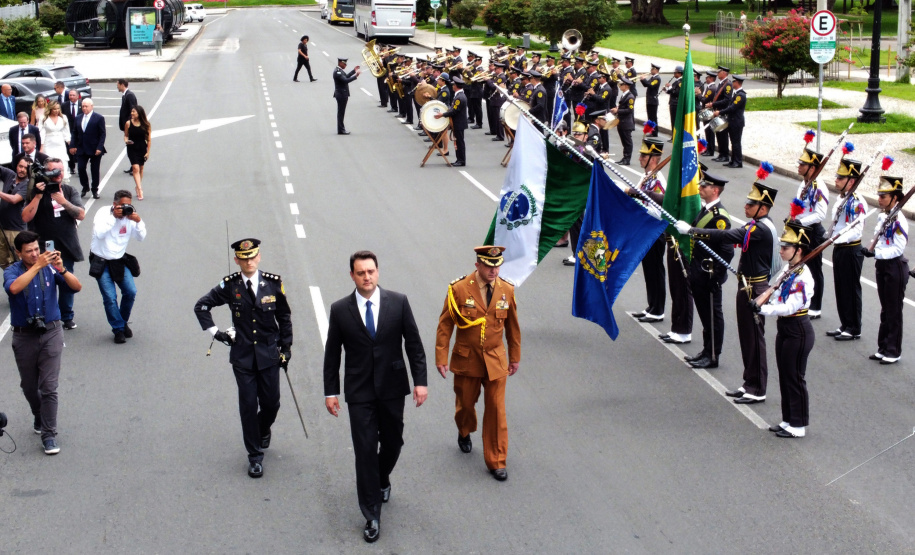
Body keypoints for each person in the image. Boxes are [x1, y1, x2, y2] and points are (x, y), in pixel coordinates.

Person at [323, 251, 427, 544]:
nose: (366, 277)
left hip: (393, 387)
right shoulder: (340, 310)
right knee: (365, 450)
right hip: (359, 392)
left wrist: (421, 382)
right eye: (360, 273)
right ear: (352, 276)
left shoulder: (399, 302)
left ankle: (382, 477)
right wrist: (330, 391)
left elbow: (414, 345)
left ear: (378, 272)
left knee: (393, 441)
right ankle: (371, 514)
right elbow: (332, 354)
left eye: (370, 271)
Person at [194, 238, 293, 478]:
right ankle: (255, 456)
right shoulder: (230, 286)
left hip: (270, 355)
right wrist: (216, 333)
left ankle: (263, 428)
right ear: (237, 260)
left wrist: (286, 349)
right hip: (243, 357)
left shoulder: (273, 283)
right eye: (243, 258)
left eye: (252, 257)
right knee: (248, 405)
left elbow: (285, 317)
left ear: (258, 257)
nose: (249, 261)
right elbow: (202, 306)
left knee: (271, 404)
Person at [677, 179, 780, 392]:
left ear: (763, 207)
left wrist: (692, 231)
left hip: (755, 288)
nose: (745, 206)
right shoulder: (755, 225)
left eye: (751, 204)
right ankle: (749, 382)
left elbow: (726, 236)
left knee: (754, 341)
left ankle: (757, 387)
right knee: (746, 338)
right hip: (747, 286)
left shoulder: (759, 229)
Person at [435, 246, 521, 482]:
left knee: (496, 411)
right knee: (465, 405)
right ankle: (464, 431)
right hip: (467, 359)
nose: (494, 270)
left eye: (497, 265)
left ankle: (497, 461)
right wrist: (441, 357)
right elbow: (445, 325)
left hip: (496, 360)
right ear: (477, 266)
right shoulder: (459, 289)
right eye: (488, 266)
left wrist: (514, 357)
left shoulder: (507, 290)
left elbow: (513, 328)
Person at [3, 230, 82, 455]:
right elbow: (14, 288)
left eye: (37, 249)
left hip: (51, 332)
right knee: (29, 387)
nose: (35, 254)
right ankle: (38, 414)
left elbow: (76, 287)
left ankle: (49, 435)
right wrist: (37, 266)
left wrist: (62, 268)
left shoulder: (50, 268)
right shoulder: (12, 271)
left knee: (49, 387)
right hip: (23, 334)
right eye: (29, 251)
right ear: (19, 253)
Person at [750, 221, 815, 438]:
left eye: (785, 248)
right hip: (786, 328)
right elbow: (775, 290)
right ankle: (788, 419)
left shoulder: (804, 276)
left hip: (798, 328)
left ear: (798, 250)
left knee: (795, 376)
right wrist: (761, 299)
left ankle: (798, 425)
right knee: (785, 374)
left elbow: (790, 306)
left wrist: (763, 309)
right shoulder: (788, 270)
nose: (781, 251)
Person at [20, 158, 85, 330]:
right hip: (41, 248)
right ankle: (41, 315)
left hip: (66, 246)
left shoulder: (69, 191)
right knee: (42, 284)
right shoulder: (36, 192)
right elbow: (25, 217)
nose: (58, 174)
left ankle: (67, 316)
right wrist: (38, 196)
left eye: (61, 171)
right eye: (54, 171)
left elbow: (81, 215)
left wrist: (63, 201)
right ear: (46, 173)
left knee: (66, 282)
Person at [679, 173, 732, 363]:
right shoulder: (706, 210)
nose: (700, 188)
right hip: (699, 272)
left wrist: (716, 277)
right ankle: (706, 350)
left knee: (712, 317)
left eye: (705, 186)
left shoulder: (719, 217)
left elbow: (727, 251)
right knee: (705, 315)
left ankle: (713, 355)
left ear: (715, 190)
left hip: (709, 276)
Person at [89, 190, 146, 343]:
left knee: (130, 291)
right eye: (122, 206)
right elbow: (99, 234)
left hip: (118, 261)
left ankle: (122, 322)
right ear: (114, 205)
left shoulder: (130, 216)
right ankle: (118, 329)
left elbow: (141, 237)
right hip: (100, 261)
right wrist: (114, 218)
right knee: (110, 297)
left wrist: (138, 221)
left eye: (129, 205)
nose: (126, 208)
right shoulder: (103, 213)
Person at [865, 176, 909, 365]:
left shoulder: (899, 220)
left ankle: (893, 350)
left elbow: (898, 248)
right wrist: (871, 248)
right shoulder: (884, 216)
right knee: (885, 309)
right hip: (883, 266)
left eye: (884, 196)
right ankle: (883, 347)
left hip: (894, 267)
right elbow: (879, 239)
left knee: (893, 310)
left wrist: (877, 254)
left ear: (895, 198)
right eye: (880, 195)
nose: (880, 199)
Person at [627, 138, 670, 326]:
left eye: (643, 155)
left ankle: (658, 309)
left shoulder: (657, 181)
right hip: (645, 229)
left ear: (654, 158)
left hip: (654, 229)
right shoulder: (647, 176)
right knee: (648, 270)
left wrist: (637, 203)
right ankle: (652, 306)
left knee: (655, 270)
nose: (639, 158)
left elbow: (659, 209)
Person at [826, 158, 868, 341]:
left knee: (851, 289)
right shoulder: (843, 199)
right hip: (840, 248)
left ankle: (854, 327)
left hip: (851, 249)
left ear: (851, 181)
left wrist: (835, 239)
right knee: (841, 288)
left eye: (840, 177)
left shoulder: (856, 202)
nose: (836, 180)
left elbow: (855, 230)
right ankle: (845, 323)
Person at [791, 142, 829, 319]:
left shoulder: (818, 187)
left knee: (814, 269)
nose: (799, 167)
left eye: (802, 165)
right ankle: (803, 299)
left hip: (813, 232)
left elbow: (820, 214)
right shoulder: (804, 183)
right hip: (802, 230)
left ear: (812, 168)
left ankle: (816, 306)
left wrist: (800, 221)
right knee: (800, 266)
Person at [69, 98, 107, 199]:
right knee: (81, 168)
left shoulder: (98, 118)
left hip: (95, 148)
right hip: (82, 148)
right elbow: (74, 132)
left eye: (86, 106)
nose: (84, 108)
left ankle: (95, 189)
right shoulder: (78, 118)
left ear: (92, 106)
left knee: (94, 170)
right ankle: (85, 186)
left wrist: (99, 147)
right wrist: (72, 145)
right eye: (83, 106)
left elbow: (102, 134)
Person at [713, 74, 746, 168]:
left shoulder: (741, 95)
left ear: (737, 83)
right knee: (733, 142)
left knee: (736, 142)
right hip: (732, 121)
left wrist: (720, 112)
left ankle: (738, 161)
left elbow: (732, 108)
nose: (732, 83)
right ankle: (733, 160)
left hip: (736, 122)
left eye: (734, 82)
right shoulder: (736, 94)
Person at [0, 160, 28, 268]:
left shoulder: (27, 185)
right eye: (20, 166)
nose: (22, 170)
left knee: (17, 261)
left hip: (15, 230)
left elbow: (14, 199)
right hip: (2, 227)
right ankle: (10, 280)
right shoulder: (10, 175)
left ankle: (18, 282)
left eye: (25, 168)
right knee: (2, 260)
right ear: (16, 166)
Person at [436, 75, 467, 166]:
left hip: (459, 123)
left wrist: (442, 114)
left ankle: (461, 160)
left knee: (459, 143)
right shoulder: (458, 95)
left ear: (456, 86)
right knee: (457, 142)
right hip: (457, 122)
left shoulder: (460, 98)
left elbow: (454, 111)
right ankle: (459, 159)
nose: (452, 86)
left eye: (453, 85)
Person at [705, 66, 733, 164]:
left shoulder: (728, 84)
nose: (718, 73)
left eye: (719, 71)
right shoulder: (721, 84)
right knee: (719, 133)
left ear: (724, 73)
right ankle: (721, 154)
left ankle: (725, 155)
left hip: (722, 111)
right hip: (718, 111)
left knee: (723, 135)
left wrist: (713, 104)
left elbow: (727, 100)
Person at [39, 101, 71, 183]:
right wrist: (41, 147)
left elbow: (66, 131)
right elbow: (41, 133)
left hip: (60, 143)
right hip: (48, 143)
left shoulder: (63, 118)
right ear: (50, 109)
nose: (56, 111)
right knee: (49, 162)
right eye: (54, 109)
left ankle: (62, 181)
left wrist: (69, 142)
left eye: (58, 109)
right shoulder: (43, 118)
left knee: (62, 160)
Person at [124, 106, 151, 200]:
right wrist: (126, 141)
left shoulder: (146, 125)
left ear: (139, 113)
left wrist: (148, 152)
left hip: (142, 148)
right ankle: (140, 189)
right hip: (132, 148)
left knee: (141, 168)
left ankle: (137, 185)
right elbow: (126, 136)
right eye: (131, 112)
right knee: (135, 168)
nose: (132, 113)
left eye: (133, 112)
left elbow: (149, 139)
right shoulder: (128, 123)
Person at [333, 58, 361, 135]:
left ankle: (341, 129)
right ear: (340, 63)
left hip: (342, 94)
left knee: (341, 112)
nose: (345, 65)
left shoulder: (340, 71)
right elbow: (345, 80)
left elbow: (346, 76)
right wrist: (356, 76)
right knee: (341, 113)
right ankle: (341, 130)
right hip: (341, 94)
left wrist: (353, 71)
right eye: (344, 64)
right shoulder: (337, 72)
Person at [610, 76, 635, 165]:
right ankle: (624, 157)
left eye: (622, 85)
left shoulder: (630, 97)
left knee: (627, 142)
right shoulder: (624, 95)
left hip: (626, 123)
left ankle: (627, 159)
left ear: (626, 86)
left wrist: (618, 111)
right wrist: (617, 109)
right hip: (621, 122)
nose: (620, 86)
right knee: (624, 141)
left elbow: (629, 110)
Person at [117, 79, 138, 175]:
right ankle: (133, 166)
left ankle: (135, 167)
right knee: (130, 147)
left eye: (117, 84)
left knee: (133, 147)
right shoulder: (125, 95)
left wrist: (130, 124)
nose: (117, 86)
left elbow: (133, 110)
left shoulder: (130, 95)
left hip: (130, 127)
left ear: (122, 84)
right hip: (127, 126)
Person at [62, 90, 82, 176]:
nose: (71, 97)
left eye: (73, 95)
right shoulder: (64, 105)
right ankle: (71, 167)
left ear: (78, 96)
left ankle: (80, 167)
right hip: (68, 131)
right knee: (69, 149)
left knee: (80, 149)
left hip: (80, 131)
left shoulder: (82, 104)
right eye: (70, 95)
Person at [640, 64, 662, 137]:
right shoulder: (653, 77)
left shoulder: (657, 78)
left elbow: (650, 85)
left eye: (652, 69)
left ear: (656, 70)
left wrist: (644, 79)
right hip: (649, 100)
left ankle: (654, 132)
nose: (651, 70)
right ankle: (651, 131)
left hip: (653, 100)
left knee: (653, 117)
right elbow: (646, 85)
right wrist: (642, 80)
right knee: (650, 117)